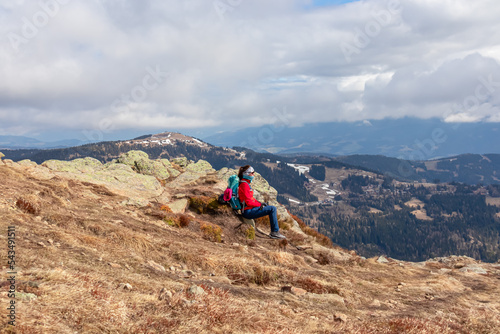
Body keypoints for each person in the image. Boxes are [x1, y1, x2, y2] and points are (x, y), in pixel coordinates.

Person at [238, 165, 286, 239]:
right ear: (247, 174)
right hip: (247, 212)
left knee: (270, 208)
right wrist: (260, 204)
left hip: (248, 209)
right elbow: (249, 202)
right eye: (252, 173)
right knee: (272, 209)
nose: (253, 175)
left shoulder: (245, 183)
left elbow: (250, 199)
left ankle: (275, 232)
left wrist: (260, 203)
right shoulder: (244, 185)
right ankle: (275, 232)